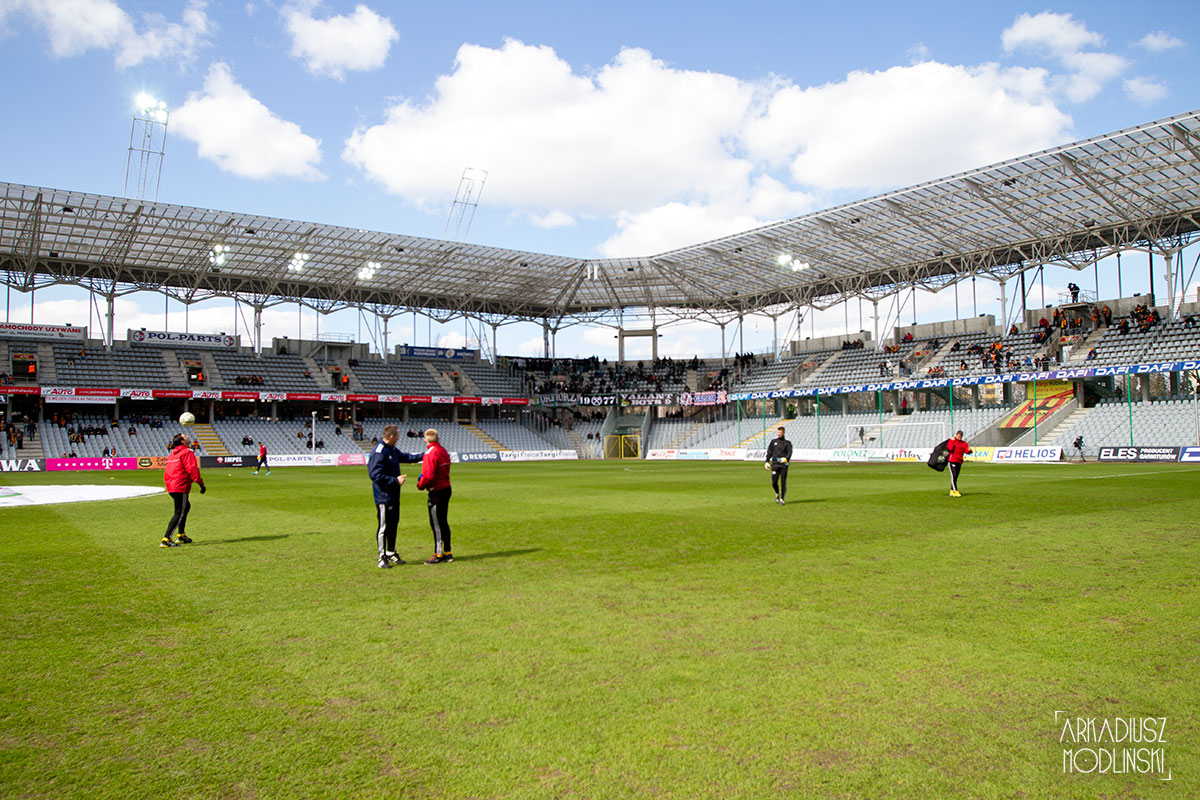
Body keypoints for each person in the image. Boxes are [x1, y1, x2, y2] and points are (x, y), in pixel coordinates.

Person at [367, 424, 422, 568]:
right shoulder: (379, 452)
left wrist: (425, 455)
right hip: (383, 496)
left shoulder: (392, 449)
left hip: (394, 495)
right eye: (397, 436)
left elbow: (405, 457)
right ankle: (381, 557)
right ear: (391, 437)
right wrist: (395, 481)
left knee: (393, 525)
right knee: (384, 527)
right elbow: (374, 475)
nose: (398, 438)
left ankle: (391, 552)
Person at [416, 428, 454, 563]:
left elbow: (428, 475)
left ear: (426, 440)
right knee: (443, 521)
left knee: (436, 523)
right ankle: (447, 552)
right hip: (446, 488)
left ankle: (438, 554)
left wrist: (420, 485)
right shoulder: (443, 450)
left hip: (436, 491)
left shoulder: (430, 453)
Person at [162, 432, 205, 547]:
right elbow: (192, 469)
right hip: (180, 485)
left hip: (171, 485)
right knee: (179, 511)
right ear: (182, 441)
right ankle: (166, 539)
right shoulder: (187, 452)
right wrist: (201, 483)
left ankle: (181, 535)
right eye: (185, 436)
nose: (187, 437)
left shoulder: (172, 454)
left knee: (185, 507)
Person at [764, 426, 792, 505]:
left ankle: (782, 499)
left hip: (784, 465)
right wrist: (767, 461)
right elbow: (769, 452)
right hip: (775, 464)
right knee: (774, 482)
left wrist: (786, 459)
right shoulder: (773, 442)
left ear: (783, 433)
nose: (779, 434)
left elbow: (789, 453)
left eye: (780, 432)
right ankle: (777, 493)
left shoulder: (787, 443)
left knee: (783, 482)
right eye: (778, 432)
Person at [946, 430, 971, 498]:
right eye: (958, 436)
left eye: (960, 437)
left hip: (959, 461)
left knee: (955, 477)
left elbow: (966, 450)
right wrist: (952, 441)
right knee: (953, 476)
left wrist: (969, 451)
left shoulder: (964, 443)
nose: (959, 438)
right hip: (952, 460)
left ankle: (952, 491)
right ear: (956, 435)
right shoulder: (952, 441)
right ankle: (956, 491)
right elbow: (950, 448)